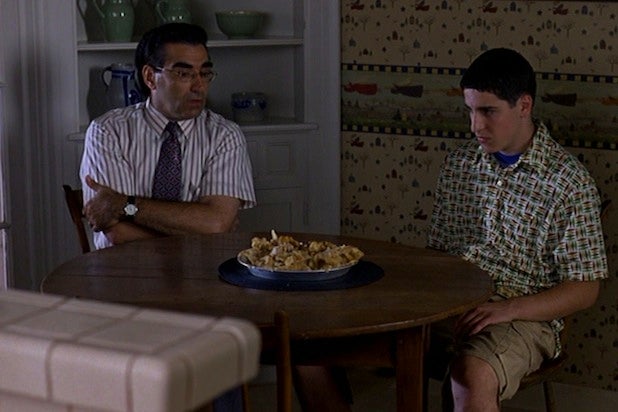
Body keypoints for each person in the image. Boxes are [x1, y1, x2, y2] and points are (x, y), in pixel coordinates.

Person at [427, 48, 608, 411]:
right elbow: (438, 254)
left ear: (524, 105)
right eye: (470, 111)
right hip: (451, 304)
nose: (475, 126)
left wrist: (507, 309)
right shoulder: (459, 164)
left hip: (524, 317)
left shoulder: (568, 183)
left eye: (488, 111)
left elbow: (585, 288)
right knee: (319, 342)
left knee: (470, 375)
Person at [80, 23, 255, 249]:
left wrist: (125, 205)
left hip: (201, 270)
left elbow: (216, 223)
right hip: (125, 266)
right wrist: (199, 233)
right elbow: (119, 234)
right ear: (150, 77)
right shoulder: (108, 132)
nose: (199, 86)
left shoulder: (225, 136)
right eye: (184, 74)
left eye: (204, 73)